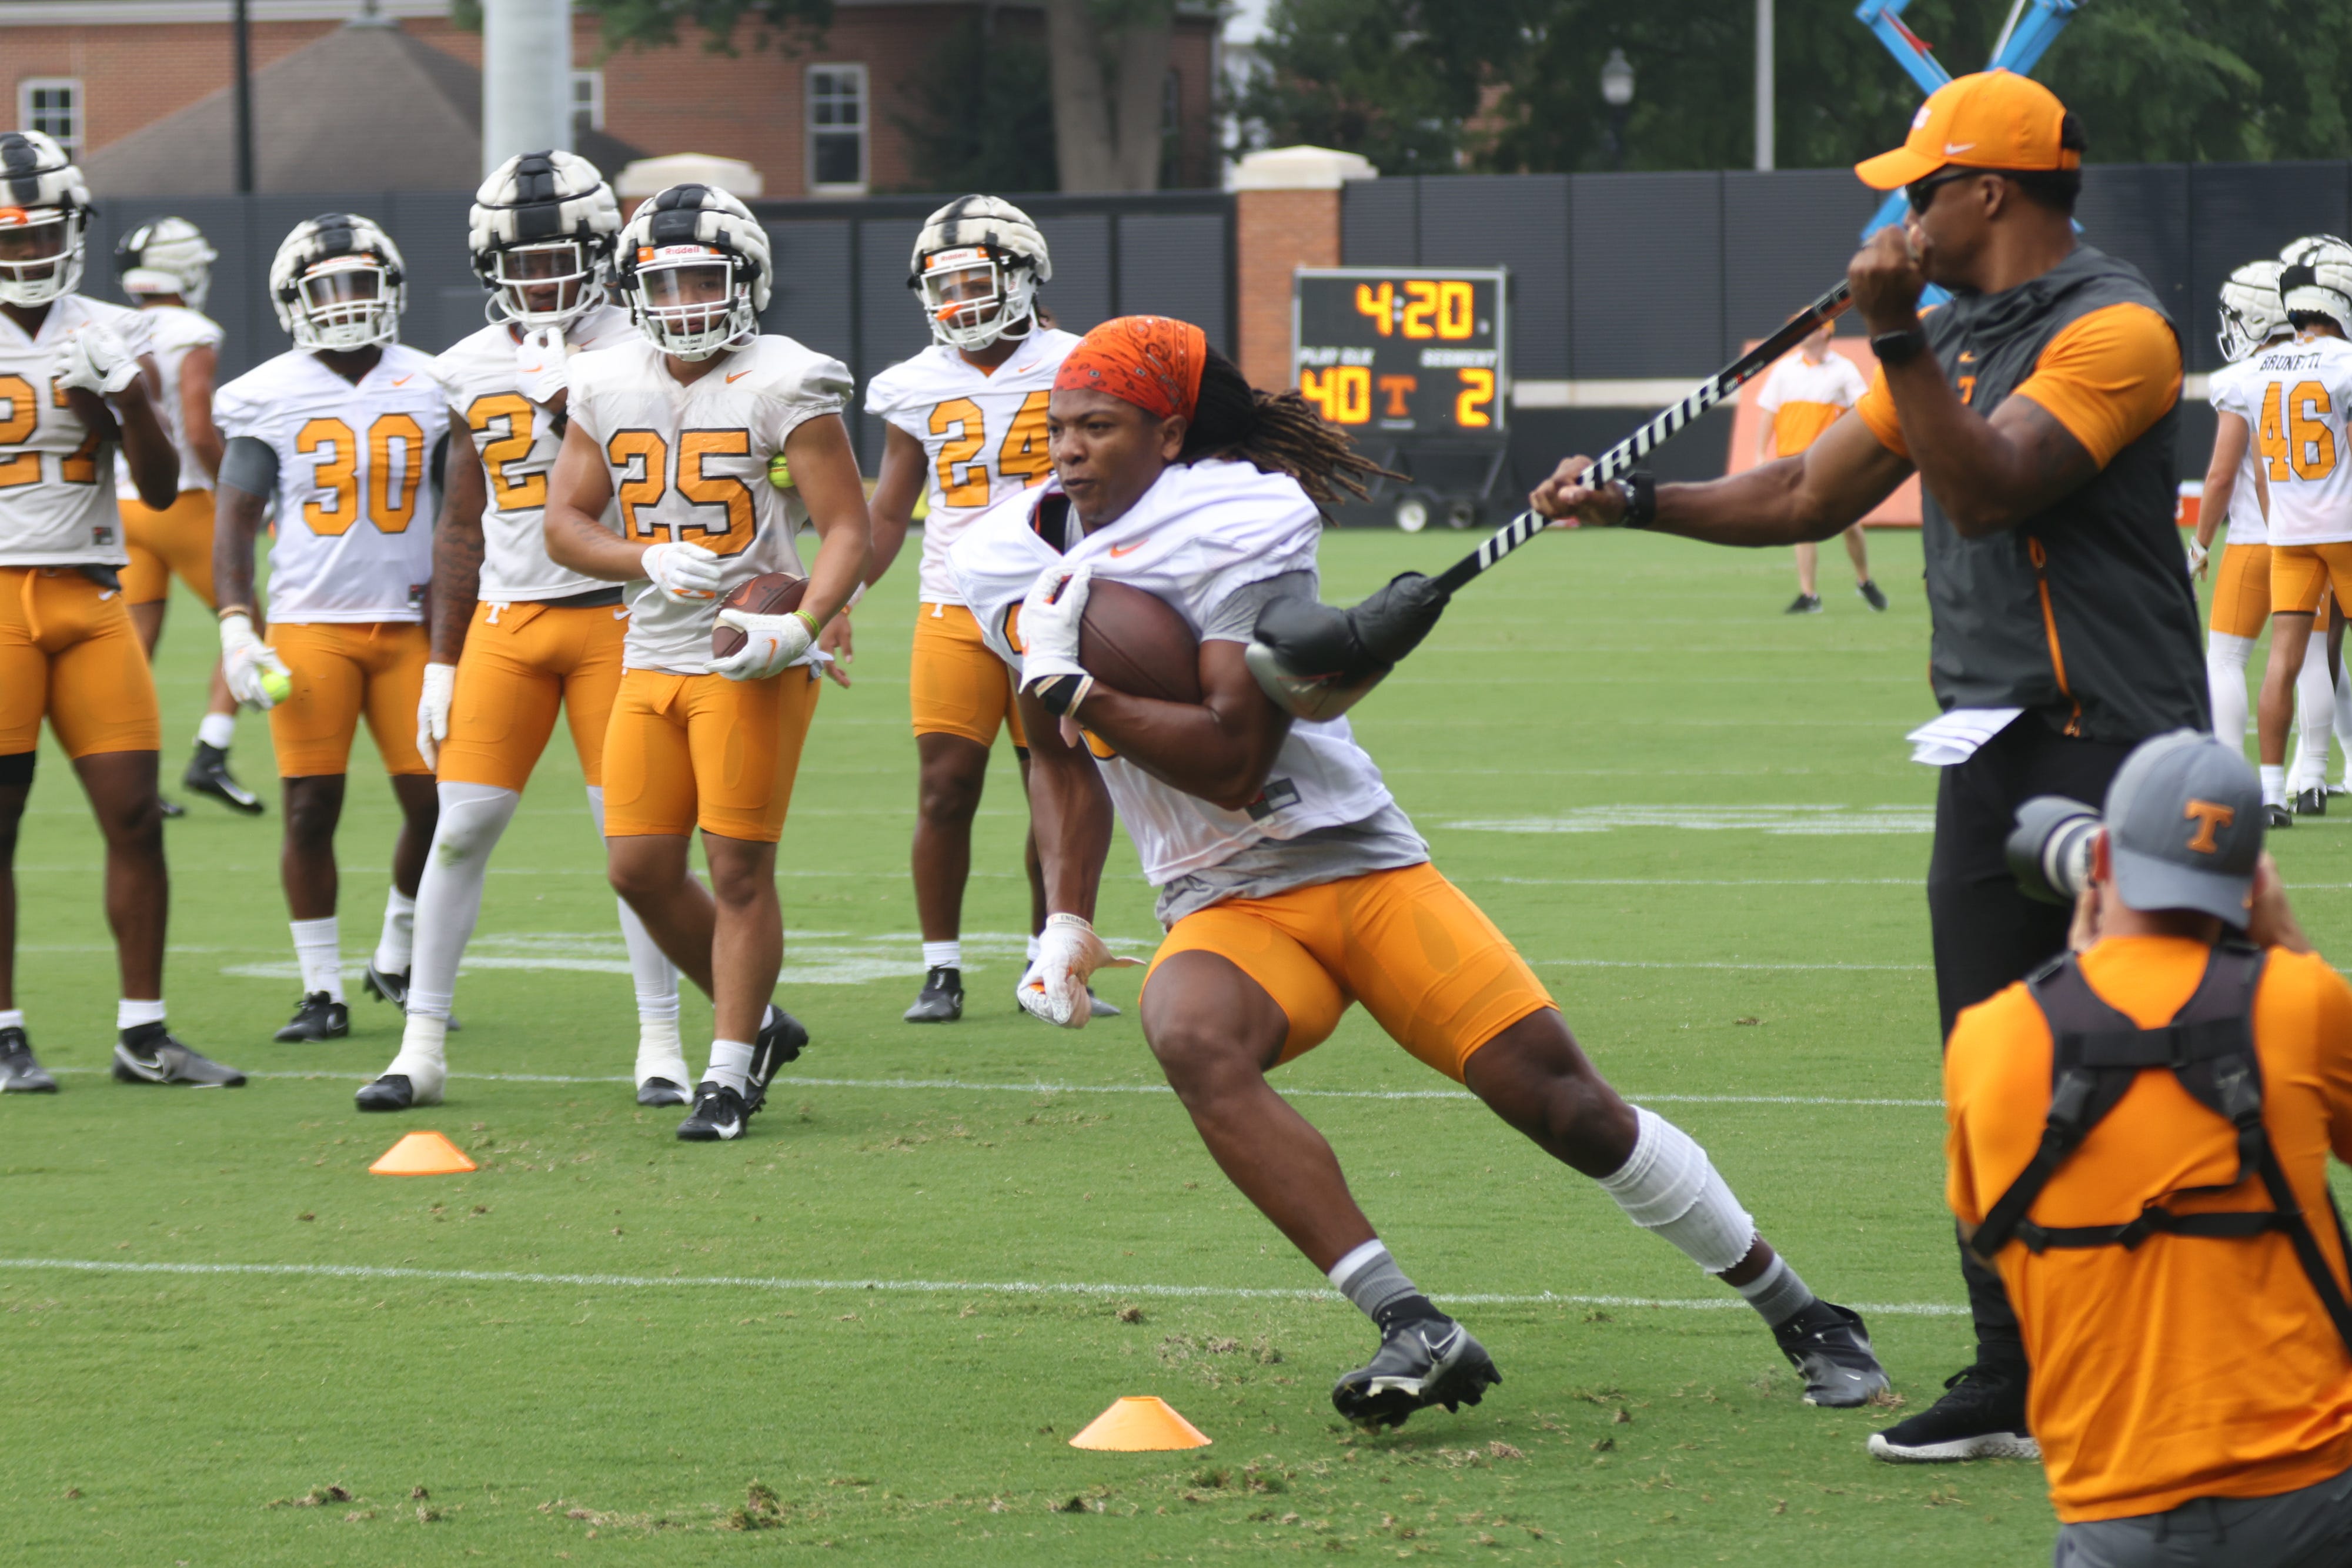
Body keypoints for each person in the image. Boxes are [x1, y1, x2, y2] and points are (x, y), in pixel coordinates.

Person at [951, 315, 1887, 1427]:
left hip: (1349, 861)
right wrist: (1064, 910)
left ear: (1169, 433)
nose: (1067, 450)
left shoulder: (1235, 515)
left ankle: (1804, 1311)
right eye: (1057, 427)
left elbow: (1237, 758)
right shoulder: (995, 550)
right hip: (1217, 894)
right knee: (1190, 1030)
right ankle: (1412, 1321)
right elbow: (1057, 754)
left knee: (1569, 1109)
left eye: (1098, 427)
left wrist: (1097, 690)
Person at [1531, 71, 2204, 1462]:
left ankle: (2189, 1347)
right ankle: (2014, 1373)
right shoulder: (1954, 335)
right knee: (1988, 1071)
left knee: (2153, 1066)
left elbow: (1986, 486)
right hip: (1989, 743)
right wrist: (1631, 503)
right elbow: (1798, 493)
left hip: (2112, 750)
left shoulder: (2117, 331)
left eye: (1917, 186)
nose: (1898, 213)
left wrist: (1896, 333)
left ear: (1987, 195)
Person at [1946, 731, 2352, 1566]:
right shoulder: (2302, 1001)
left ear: (2100, 858)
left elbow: (1985, 1225)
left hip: (2121, 1511)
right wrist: (2292, 943)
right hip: (2319, 1491)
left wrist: (2073, 990)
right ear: (2250, 885)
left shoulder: (1992, 1038)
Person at [356, 151, 696, 1112]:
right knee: (460, 828)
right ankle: (419, 1046)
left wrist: (576, 397)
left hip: (622, 622)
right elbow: (461, 520)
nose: (540, 279)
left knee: (633, 841)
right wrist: (441, 659)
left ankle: (662, 1041)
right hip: (508, 620)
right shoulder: (466, 364)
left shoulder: (648, 342)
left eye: (558, 258)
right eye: (521, 260)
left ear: (601, 253)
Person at [543, 183, 870, 1142]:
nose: (685, 300)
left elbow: (845, 525)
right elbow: (563, 522)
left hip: (749, 651)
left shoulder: (786, 376)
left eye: (704, 278)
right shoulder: (604, 377)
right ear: (632, 287)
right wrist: (639, 555)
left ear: (748, 281)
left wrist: (802, 624)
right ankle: (760, 1025)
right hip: (650, 646)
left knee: (736, 869)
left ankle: (727, 1072)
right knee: (638, 869)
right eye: (666, 280)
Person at [0, 129, 244, 1091]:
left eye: (40, 235)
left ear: (76, 230)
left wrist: (129, 397)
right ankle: (5, 1029)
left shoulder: (113, 324)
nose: (26, 253)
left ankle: (143, 1032)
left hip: (90, 593)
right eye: (10, 238)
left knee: (136, 814)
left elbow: (152, 484)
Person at [212, 213, 449, 1044]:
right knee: (311, 806)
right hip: (312, 623)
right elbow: (235, 519)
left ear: (393, 291)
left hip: (412, 623)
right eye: (328, 288)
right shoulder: (266, 391)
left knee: (439, 804)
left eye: (362, 283)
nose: (347, 303)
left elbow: (464, 516)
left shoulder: (434, 381)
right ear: (293, 301)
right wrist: (238, 625)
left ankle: (398, 946)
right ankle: (321, 990)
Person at [863, 195, 1093, 1024]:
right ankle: (941, 965)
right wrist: (840, 597)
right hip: (954, 603)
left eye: (976, 280)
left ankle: (1049, 956)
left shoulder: (1078, 361)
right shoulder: (913, 383)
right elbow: (889, 511)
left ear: (1025, 277)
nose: (959, 300)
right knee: (945, 784)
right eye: (944, 284)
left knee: (1053, 780)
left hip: (1053, 606)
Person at [112, 217, 261, 817]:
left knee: (130, 651)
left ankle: (131, 779)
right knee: (249, 623)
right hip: (186, 502)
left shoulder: (116, 323)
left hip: (127, 504)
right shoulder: (193, 329)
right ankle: (211, 753)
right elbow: (198, 429)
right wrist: (238, 490)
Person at [2249, 239, 2352, 831]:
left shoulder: (2259, 366)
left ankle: (2269, 794)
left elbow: (2262, 463)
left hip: (2287, 533)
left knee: (2281, 663)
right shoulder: (2344, 363)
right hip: (2342, 527)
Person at [1752, 319, 1883, 614]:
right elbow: (1768, 411)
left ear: (1825, 332)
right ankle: (1809, 595)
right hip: (1792, 459)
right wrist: (1760, 453)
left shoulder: (1844, 368)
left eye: (1806, 328)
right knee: (1802, 526)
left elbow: (1863, 407)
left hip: (1830, 458)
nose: (1798, 333)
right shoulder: (1785, 368)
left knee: (1849, 523)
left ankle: (1864, 580)